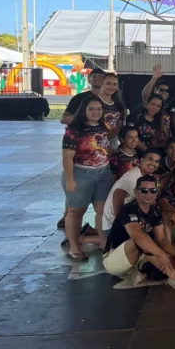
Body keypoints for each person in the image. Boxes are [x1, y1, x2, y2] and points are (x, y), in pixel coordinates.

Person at [102, 174, 175, 290]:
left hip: (139, 257)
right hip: (114, 259)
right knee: (143, 241)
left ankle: (138, 271)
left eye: (153, 190)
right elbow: (138, 236)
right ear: (136, 192)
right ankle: (174, 276)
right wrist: (161, 254)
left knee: (166, 263)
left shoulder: (154, 212)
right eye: (144, 190)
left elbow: (161, 239)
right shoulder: (128, 209)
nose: (149, 194)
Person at [62, 97, 114, 261]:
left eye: (99, 109)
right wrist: (70, 180)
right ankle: (74, 246)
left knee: (102, 210)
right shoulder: (74, 130)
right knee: (76, 211)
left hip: (103, 174)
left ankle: (103, 241)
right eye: (91, 109)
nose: (95, 112)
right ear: (84, 110)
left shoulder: (103, 128)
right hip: (81, 174)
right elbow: (67, 156)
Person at [102, 149, 163, 233]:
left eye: (156, 161)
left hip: (130, 216)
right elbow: (117, 196)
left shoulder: (147, 176)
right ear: (141, 160)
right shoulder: (132, 177)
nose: (153, 163)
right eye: (150, 159)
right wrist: (120, 223)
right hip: (113, 222)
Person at [95, 72, 126, 149]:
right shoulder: (93, 101)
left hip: (114, 143)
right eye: (108, 83)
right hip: (96, 142)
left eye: (114, 84)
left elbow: (121, 122)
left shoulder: (118, 103)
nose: (111, 87)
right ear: (102, 83)